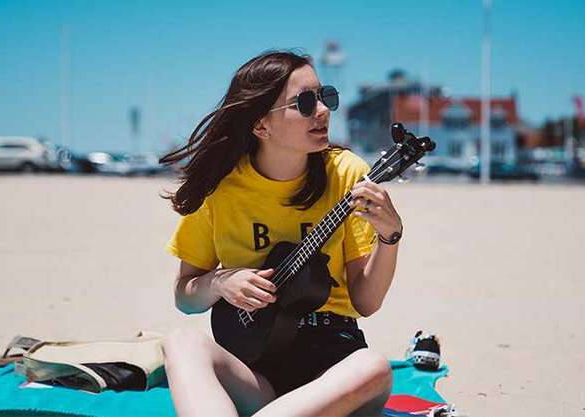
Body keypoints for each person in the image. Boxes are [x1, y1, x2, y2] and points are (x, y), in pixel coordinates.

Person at [159, 50, 404, 417]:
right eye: (304, 102)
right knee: (180, 342)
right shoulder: (221, 188)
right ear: (261, 126)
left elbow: (366, 302)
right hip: (258, 374)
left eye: (326, 97)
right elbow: (185, 296)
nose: (322, 110)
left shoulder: (346, 174)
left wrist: (390, 237)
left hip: (334, 369)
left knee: (374, 367)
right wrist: (222, 283)